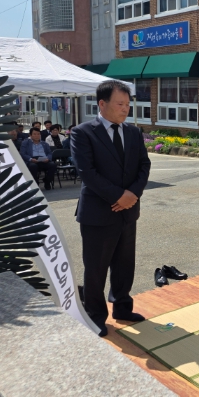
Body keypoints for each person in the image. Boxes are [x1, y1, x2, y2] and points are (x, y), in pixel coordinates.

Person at [70, 80, 151, 337]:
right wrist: (119, 196)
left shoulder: (133, 133)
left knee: (125, 264)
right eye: (120, 104)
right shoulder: (83, 132)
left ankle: (122, 307)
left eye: (128, 104)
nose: (125, 109)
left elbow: (144, 165)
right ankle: (95, 316)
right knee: (96, 268)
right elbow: (87, 172)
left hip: (128, 211)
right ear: (102, 104)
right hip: (98, 213)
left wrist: (132, 195)